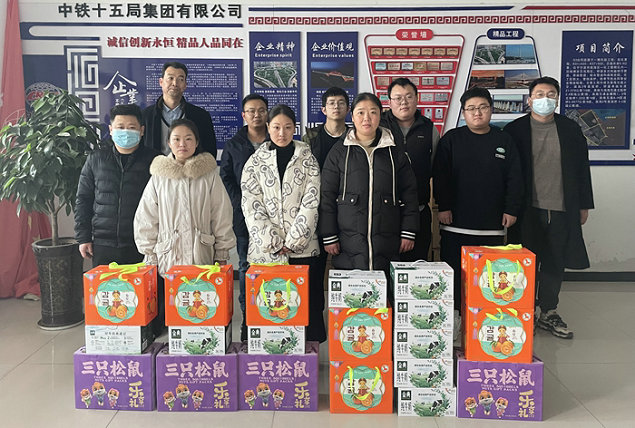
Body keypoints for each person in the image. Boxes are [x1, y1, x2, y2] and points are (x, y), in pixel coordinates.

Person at [504, 76, 594, 339]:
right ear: (530, 99)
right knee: (525, 263)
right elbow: (507, 173)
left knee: (555, 261)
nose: (545, 99)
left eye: (551, 94)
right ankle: (525, 311)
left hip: (562, 208)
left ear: (557, 99)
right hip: (527, 209)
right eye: (540, 94)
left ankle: (548, 311)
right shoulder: (514, 130)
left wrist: (584, 205)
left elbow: (582, 169)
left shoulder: (570, 129)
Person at [432, 87, 523, 337]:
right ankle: (455, 316)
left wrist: (511, 209)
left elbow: (515, 178)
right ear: (464, 112)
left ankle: (486, 317)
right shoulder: (451, 139)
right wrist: (443, 206)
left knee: (489, 276)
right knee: (454, 272)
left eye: (483, 107)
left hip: (492, 223)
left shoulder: (504, 140)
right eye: (471, 108)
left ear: (491, 110)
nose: (477, 113)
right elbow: (441, 176)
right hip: (455, 222)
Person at [134, 119, 235, 336]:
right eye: (177, 139)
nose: (182, 144)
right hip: (169, 254)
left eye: (188, 139)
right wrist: (149, 253)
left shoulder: (208, 175)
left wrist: (222, 251)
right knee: (174, 310)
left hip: (202, 252)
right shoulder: (159, 177)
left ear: (196, 143)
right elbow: (146, 217)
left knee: (201, 309)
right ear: (169, 143)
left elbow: (221, 214)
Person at [241, 104, 326, 342]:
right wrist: (271, 241)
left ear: (294, 128)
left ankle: (307, 355)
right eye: (276, 127)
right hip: (266, 250)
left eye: (288, 127)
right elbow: (250, 203)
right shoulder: (255, 162)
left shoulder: (307, 159)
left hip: (303, 248)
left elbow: (312, 201)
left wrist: (295, 240)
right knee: (271, 305)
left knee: (305, 304)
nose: (282, 133)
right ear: (268, 127)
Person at [320, 92, 419, 286]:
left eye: (373, 112)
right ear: (352, 116)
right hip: (348, 243)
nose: (367, 118)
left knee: (385, 294)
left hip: (388, 239)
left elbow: (410, 193)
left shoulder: (394, 151)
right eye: (361, 112)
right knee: (353, 295)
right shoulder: (339, 152)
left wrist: (409, 230)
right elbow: (327, 196)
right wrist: (329, 236)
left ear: (380, 115)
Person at [75, 104, 159, 267]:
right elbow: (83, 199)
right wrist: (83, 237)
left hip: (143, 244)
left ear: (142, 130)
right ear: (111, 129)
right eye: (120, 127)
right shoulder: (96, 159)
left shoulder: (155, 161)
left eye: (131, 127)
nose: (125, 132)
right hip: (103, 244)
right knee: (106, 284)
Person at [219, 93, 269, 341]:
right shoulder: (234, 144)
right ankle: (248, 323)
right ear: (244, 115)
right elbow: (226, 177)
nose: (256, 115)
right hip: (244, 218)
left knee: (273, 269)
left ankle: (271, 320)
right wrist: (243, 202)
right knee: (247, 268)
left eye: (261, 110)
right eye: (251, 111)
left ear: (267, 113)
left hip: (274, 218)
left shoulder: (277, 138)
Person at [381, 77, 440, 261]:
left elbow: (435, 168)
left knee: (416, 267)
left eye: (408, 97)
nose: (403, 102)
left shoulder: (429, 129)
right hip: (384, 213)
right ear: (389, 102)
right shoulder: (379, 127)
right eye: (398, 98)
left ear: (417, 98)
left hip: (419, 210)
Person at [142, 62, 217, 158]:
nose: (175, 83)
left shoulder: (201, 116)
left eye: (180, 79)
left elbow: (209, 152)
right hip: (156, 167)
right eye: (170, 78)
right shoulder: (146, 116)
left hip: (191, 167)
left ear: (185, 85)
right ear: (161, 82)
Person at [302, 86, 350, 170]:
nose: (336, 106)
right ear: (324, 110)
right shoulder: (310, 138)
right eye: (331, 103)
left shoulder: (355, 137)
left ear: (348, 109)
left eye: (341, 103)